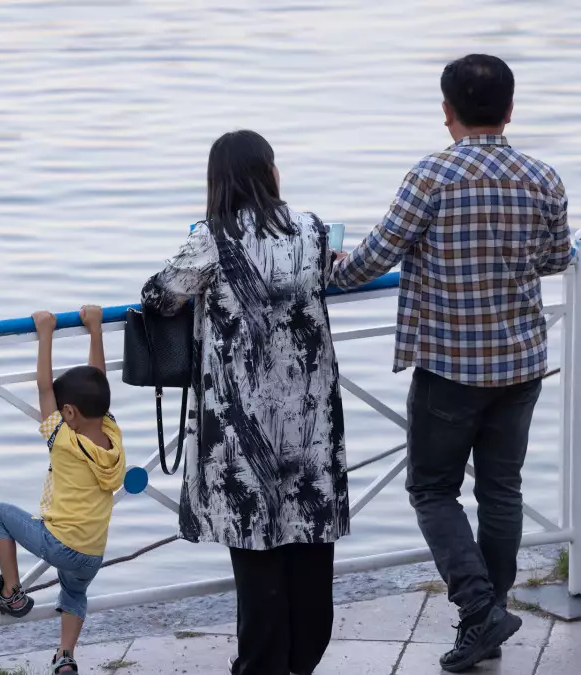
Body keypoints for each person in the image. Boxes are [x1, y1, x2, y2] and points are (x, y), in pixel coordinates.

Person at [332, 54, 572, 673]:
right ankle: (488, 615)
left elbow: (375, 257)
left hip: (449, 367)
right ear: (510, 110)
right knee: (501, 490)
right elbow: (554, 258)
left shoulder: (431, 176)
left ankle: (477, 609)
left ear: (447, 112)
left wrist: (325, 275)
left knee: (433, 489)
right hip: (521, 362)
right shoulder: (542, 176)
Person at [141, 129, 350, 675]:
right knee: (309, 552)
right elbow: (329, 272)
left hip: (242, 432)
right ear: (269, 172)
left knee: (258, 564)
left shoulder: (213, 237)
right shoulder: (313, 228)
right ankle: (301, 662)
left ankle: (259, 667)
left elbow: (158, 295)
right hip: (311, 426)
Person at [0, 305, 125, 675]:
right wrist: (95, 328)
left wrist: (45, 331)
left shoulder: (61, 439)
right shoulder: (113, 435)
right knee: (75, 593)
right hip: (93, 553)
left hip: (60, 544)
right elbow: (98, 378)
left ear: (68, 413)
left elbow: (43, 386)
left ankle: (10, 592)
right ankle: (65, 656)